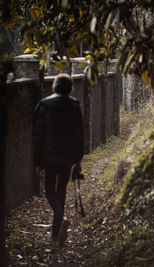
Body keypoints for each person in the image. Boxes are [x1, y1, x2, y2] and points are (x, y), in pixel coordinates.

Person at [34, 73, 84, 245]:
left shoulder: (43, 106)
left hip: (49, 156)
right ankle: (56, 232)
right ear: (70, 88)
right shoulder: (74, 106)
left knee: (49, 189)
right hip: (67, 156)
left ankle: (58, 225)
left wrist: (38, 161)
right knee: (61, 189)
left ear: (54, 86)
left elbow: (38, 136)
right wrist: (77, 161)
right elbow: (79, 135)